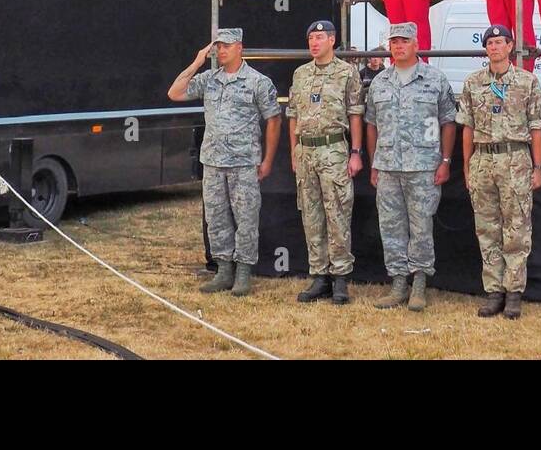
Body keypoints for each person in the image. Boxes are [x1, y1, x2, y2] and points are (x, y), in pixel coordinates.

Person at [167, 28, 281, 297]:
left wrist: (267, 160)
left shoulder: (258, 82)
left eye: (226, 46)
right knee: (217, 218)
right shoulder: (209, 79)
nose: (221, 51)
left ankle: (243, 273)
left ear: (240, 47)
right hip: (214, 162)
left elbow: (274, 120)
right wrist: (197, 62)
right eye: (218, 47)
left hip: (244, 162)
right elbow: (174, 92)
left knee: (246, 218)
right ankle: (223, 270)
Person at [364, 22, 456, 312]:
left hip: (424, 167)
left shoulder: (435, 79)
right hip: (388, 167)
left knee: (421, 227)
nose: (398, 46)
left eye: (404, 41)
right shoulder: (379, 82)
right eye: (394, 42)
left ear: (416, 45)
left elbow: (448, 122)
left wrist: (445, 160)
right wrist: (374, 162)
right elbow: (371, 124)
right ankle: (398, 282)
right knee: (391, 227)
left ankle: (419, 283)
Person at [458, 25, 541, 319]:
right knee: (487, 228)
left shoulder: (527, 81)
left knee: (517, 228)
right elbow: (467, 127)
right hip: (483, 158)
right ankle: (494, 290)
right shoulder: (473, 83)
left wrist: (537, 166)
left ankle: (514, 292)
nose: (494, 47)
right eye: (490, 43)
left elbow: (536, 128)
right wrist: (467, 165)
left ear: (510, 46)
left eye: (500, 42)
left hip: (516, 158)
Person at [286, 20, 364, 305]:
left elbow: (355, 113)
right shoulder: (300, 74)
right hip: (306, 152)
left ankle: (340, 277)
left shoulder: (347, 72)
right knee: (311, 215)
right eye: (311, 39)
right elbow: (292, 114)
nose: (314, 43)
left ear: (332, 40)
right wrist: (294, 149)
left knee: (338, 213)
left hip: (333, 150)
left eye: (319, 38)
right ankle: (319, 275)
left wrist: (356, 152)